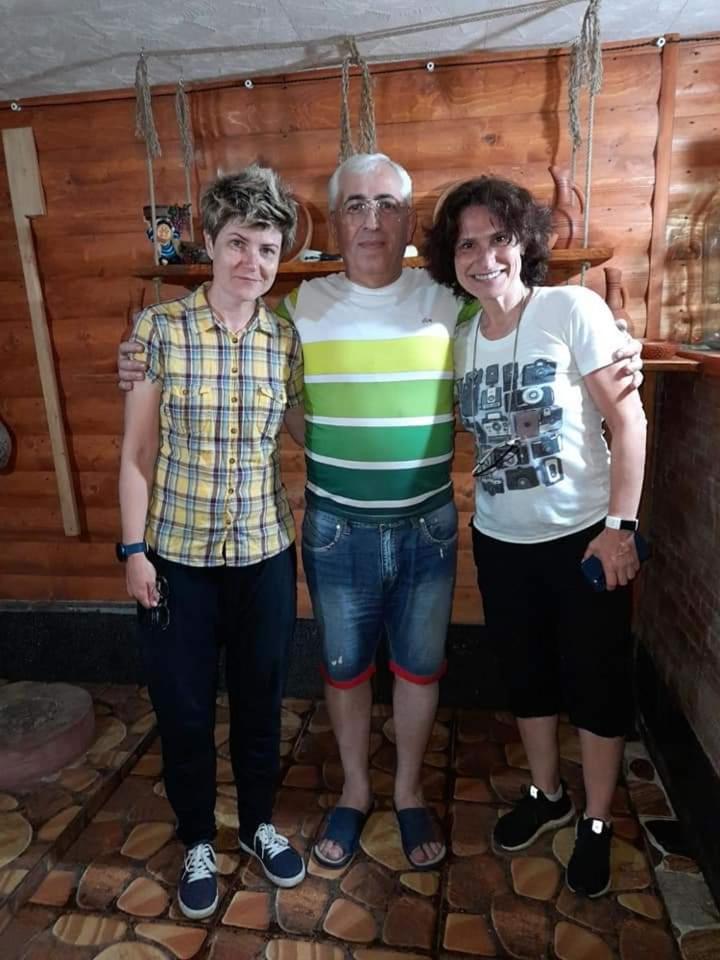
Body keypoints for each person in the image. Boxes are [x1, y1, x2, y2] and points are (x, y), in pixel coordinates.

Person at [118, 153, 643, 874]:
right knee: (343, 670)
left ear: (409, 218)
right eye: (356, 205)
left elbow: (517, 318)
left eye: (387, 204)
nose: (372, 220)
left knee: (421, 669)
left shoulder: (451, 298)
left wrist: (620, 340)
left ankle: (408, 792)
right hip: (335, 528)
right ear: (336, 222)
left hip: (429, 525)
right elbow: (271, 387)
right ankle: (356, 791)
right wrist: (138, 355)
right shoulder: (298, 312)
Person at [424, 175, 647, 897]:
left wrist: (620, 530)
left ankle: (598, 819)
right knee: (526, 677)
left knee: (596, 681)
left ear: (523, 243)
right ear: (451, 258)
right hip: (499, 541)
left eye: (498, 239)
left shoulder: (569, 308)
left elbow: (629, 422)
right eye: (467, 245)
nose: (484, 257)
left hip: (583, 538)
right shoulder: (464, 338)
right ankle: (548, 795)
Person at [118, 164, 306, 922]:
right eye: (237, 243)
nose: (251, 262)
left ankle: (257, 822)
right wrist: (133, 551)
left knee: (262, 703)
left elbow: (305, 427)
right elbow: (136, 452)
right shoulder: (159, 331)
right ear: (210, 241)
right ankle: (198, 836)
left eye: (267, 248)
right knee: (185, 710)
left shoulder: (284, 337)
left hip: (265, 554)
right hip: (177, 562)